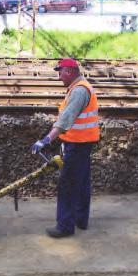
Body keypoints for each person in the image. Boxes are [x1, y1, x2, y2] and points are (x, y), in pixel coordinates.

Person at [31, 58, 100, 238]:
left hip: (77, 145)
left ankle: (65, 226)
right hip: (83, 143)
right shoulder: (81, 87)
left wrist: (46, 140)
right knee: (82, 182)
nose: (59, 77)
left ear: (69, 71)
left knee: (67, 185)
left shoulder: (78, 91)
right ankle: (80, 220)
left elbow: (65, 120)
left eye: (60, 72)